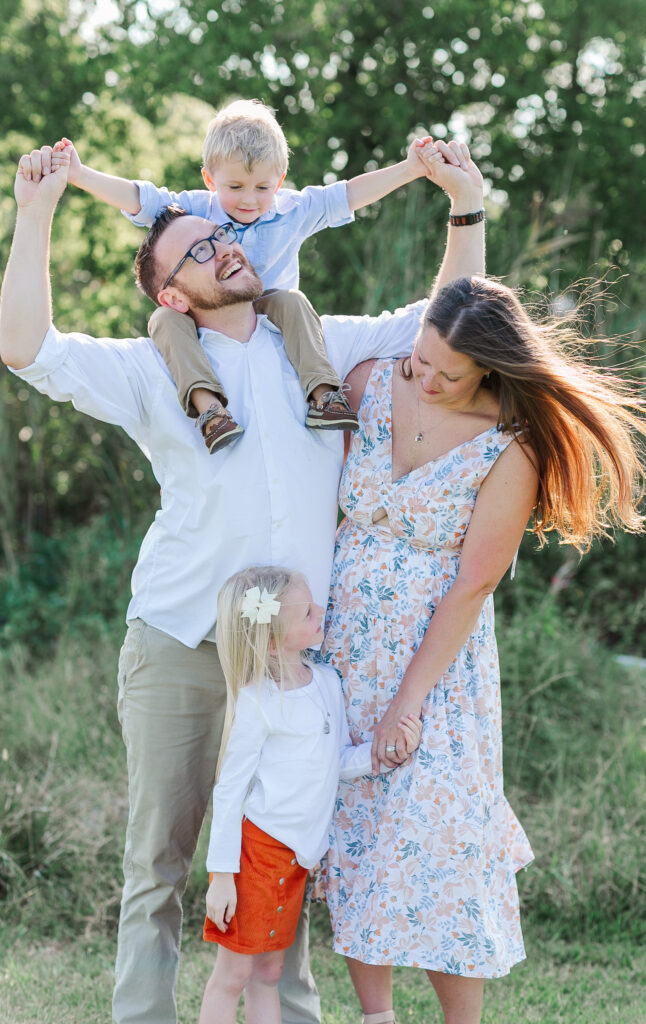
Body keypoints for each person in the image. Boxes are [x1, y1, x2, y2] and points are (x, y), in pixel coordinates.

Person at [0, 136, 485, 1024]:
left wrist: (464, 208)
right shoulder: (152, 370)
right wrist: (34, 215)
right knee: (160, 861)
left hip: (287, 660)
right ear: (170, 294)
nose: (226, 242)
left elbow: (441, 319)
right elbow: (27, 346)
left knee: (281, 848)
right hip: (180, 639)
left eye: (221, 235)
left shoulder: (320, 346)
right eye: (196, 247)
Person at [318, 271, 646, 1023]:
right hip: (342, 645)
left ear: (488, 366)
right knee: (354, 834)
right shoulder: (366, 385)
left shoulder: (509, 447)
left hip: (436, 667)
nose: (427, 379)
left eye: (449, 374)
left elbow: (473, 583)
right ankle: (375, 1015)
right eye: (420, 362)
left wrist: (407, 704)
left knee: (442, 839)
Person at [53, 98, 435, 449]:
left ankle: (323, 396)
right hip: (212, 311)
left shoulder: (293, 210)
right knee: (164, 319)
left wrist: (410, 168)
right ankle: (210, 411)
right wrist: (80, 174)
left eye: (262, 187)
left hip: (269, 306)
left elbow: (348, 194)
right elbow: (142, 198)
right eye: (234, 187)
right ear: (210, 180)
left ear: (280, 181)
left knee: (293, 301)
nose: (249, 200)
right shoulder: (196, 209)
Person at [199, 565, 421, 1024]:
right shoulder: (257, 702)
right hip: (256, 855)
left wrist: (384, 756)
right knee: (234, 973)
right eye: (306, 613)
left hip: (296, 859)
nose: (321, 612)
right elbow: (229, 791)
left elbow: (336, 761)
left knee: (270, 970)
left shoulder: (327, 684)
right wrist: (221, 875)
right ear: (275, 641)